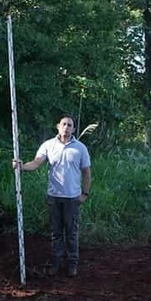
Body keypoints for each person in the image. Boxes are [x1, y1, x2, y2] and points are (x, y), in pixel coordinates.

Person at [14, 116, 92, 277]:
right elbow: (36, 163)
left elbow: (86, 172)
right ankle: (56, 263)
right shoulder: (48, 145)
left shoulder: (80, 148)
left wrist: (85, 193)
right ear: (58, 126)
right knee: (56, 232)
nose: (66, 127)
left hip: (72, 198)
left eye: (70, 125)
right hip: (54, 197)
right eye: (64, 124)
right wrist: (21, 166)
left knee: (71, 232)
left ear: (73, 129)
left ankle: (72, 265)